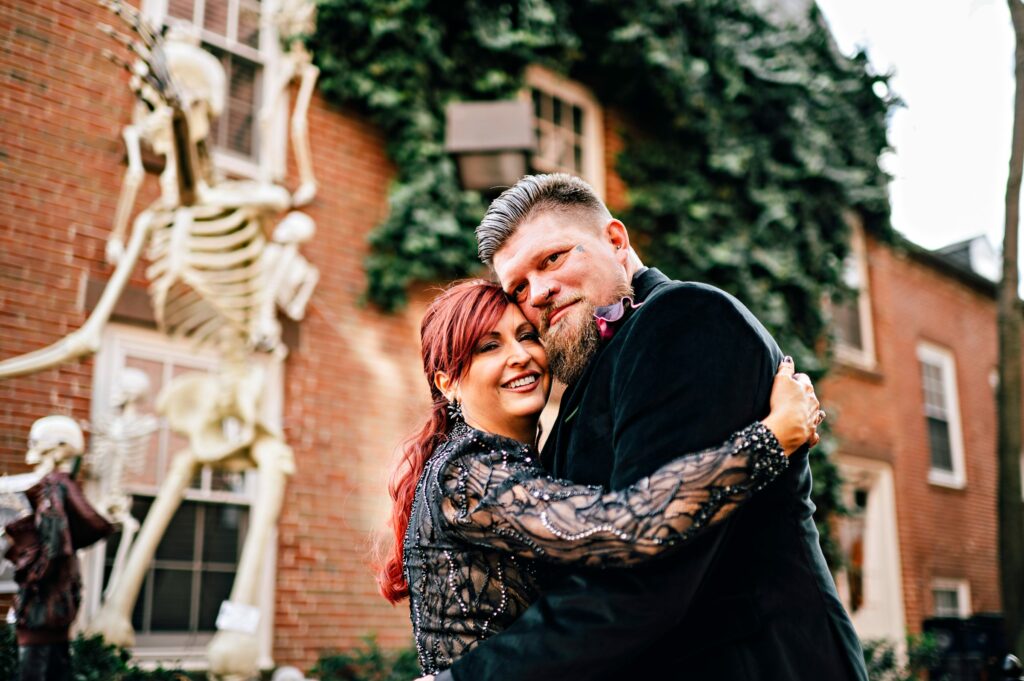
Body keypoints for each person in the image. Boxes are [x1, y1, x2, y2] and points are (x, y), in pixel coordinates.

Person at [430, 174, 868, 681]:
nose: (540, 291)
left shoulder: (685, 320)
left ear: (616, 241)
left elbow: (642, 578)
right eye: (520, 287)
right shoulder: (582, 382)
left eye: (552, 259)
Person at [380, 279, 823, 676]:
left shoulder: (515, 463)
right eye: (488, 347)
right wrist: (773, 438)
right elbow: (622, 527)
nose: (519, 356)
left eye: (527, 335)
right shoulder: (469, 473)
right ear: (447, 381)